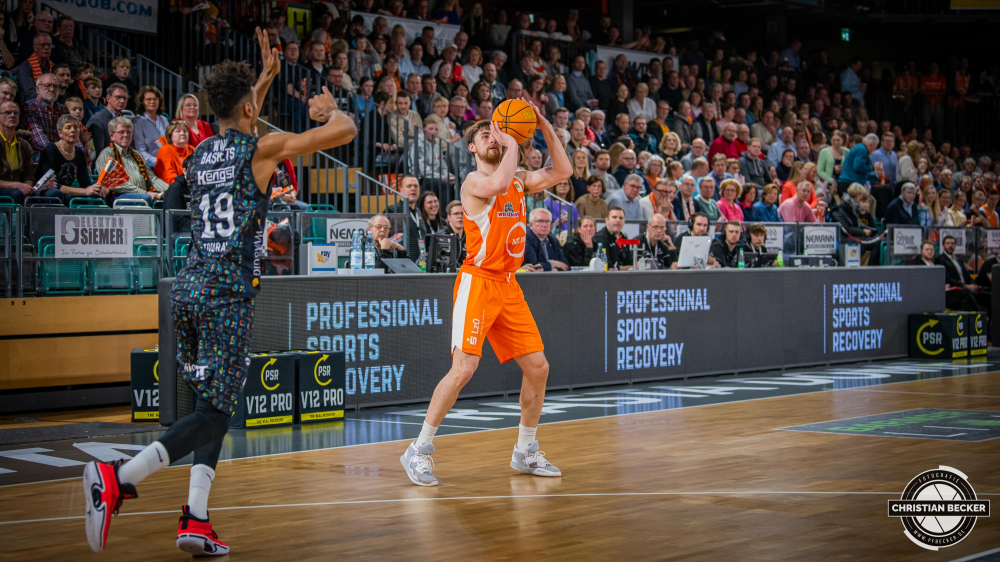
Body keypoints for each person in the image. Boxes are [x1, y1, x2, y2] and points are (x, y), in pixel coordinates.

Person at [81, 30, 358, 555]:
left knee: (215, 404)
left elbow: (238, 113)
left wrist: (265, 80)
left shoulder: (203, 148)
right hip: (227, 297)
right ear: (252, 108)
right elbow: (344, 131)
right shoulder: (261, 149)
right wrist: (328, 107)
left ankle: (197, 519)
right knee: (212, 413)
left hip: (187, 291)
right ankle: (117, 478)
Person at [400, 106, 570, 486]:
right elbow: (497, 184)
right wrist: (512, 141)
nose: (494, 139)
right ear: (473, 149)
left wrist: (542, 125)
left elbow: (563, 172)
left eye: (498, 134)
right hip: (478, 281)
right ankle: (418, 449)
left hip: (509, 284)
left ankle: (525, 450)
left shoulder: (519, 180)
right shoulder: (474, 182)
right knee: (464, 368)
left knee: (538, 367)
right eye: (486, 136)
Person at [95, 116, 169, 204]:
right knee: (144, 198)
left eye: (129, 132)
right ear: (111, 136)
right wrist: (145, 193)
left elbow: (152, 179)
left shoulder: (137, 154)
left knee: (170, 197)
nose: (126, 135)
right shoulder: (107, 154)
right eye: (121, 132)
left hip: (143, 195)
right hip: (118, 196)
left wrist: (169, 190)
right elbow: (116, 184)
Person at [35, 114, 103, 203]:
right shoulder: (50, 151)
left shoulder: (79, 153)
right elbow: (52, 184)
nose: (73, 130)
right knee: (58, 195)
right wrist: (85, 191)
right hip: (46, 190)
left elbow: (85, 183)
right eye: (68, 127)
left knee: (97, 196)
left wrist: (96, 189)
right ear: (60, 133)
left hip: (66, 192)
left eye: (76, 127)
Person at [936, 235, 988, 312]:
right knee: (968, 295)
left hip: (965, 291)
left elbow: (967, 275)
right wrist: (966, 286)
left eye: (952, 243)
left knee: (988, 295)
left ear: (955, 246)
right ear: (943, 246)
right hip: (955, 291)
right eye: (948, 243)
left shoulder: (959, 259)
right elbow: (948, 279)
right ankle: (981, 318)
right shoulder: (940, 259)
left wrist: (975, 285)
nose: (950, 245)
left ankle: (992, 320)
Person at [24, 73, 67, 161]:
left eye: (55, 86)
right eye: (47, 86)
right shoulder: (30, 106)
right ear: (37, 89)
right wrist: (56, 153)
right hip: (40, 154)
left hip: (62, 154)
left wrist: (79, 151)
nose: (52, 89)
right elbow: (37, 136)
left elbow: (71, 133)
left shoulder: (63, 108)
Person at [0, 100, 35, 205]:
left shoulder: (24, 145)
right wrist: (19, 186)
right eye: (7, 112)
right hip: (6, 188)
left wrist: (27, 186)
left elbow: (29, 174)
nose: (12, 115)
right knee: (17, 194)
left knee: (51, 195)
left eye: (16, 113)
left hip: (19, 188)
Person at [385, 175, 424, 260]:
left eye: (416, 186)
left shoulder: (418, 211)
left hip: (420, 264)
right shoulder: (392, 210)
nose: (413, 189)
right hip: (402, 263)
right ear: (401, 190)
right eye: (409, 186)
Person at [131, 85, 168, 167]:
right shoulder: (138, 121)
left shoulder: (163, 119)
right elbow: (140, 151)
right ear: (142, 102)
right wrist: (158, 161)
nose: (152, 102)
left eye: (155, 99)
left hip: (167, 160)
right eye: (148, 99)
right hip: (150, 164)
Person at [524, 207, 569, 271]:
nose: (544, 225)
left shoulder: (553, 240)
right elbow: (533, 267)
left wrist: (553, 270)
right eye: (540, 221)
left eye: (547, 221)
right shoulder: (526, 239)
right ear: (531, 225)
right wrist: (552, 263)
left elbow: (566, 266)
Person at [87, 82, 128, 153]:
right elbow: (99, 152)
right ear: (108, 98)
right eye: (118, 97)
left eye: (124, 98)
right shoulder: (97, 120)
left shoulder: (126, 120)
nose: (122, 101)